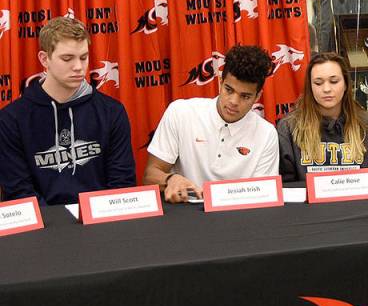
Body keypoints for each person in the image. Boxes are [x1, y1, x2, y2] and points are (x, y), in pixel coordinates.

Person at [0, 17, 134, 205]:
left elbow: (122, 183)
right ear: (44, 59)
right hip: (43, 221)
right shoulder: (11, 119)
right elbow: (19, 192)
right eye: (67, 58)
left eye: (83, 57)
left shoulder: (112, 111)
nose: (78, 67)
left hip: (102, 218)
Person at [143, 45, 279, 202]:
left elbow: (263, 196)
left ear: (257, 96)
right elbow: (149, 175)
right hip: (186, 211)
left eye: (245, 96)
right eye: (229, 90)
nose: (234, 101)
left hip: (240, 213)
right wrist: (170, 179)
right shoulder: (180, 113)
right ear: (220, 82)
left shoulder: (267, 134)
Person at [277, 51, 368, 181]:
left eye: (334, 81)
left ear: (346, 84)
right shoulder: (289, 127)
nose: (326, 89)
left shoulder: (365, 124)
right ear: (310, 87)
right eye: (318, 83)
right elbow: (285, 186)